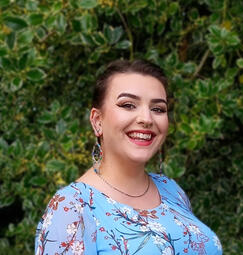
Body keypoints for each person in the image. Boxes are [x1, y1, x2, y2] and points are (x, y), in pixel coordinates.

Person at [35, 60, 222, 255]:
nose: (146, 119)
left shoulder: (171, 191)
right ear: (97, 121)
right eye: (128, 105)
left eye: (158, 109)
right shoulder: (72, 208)